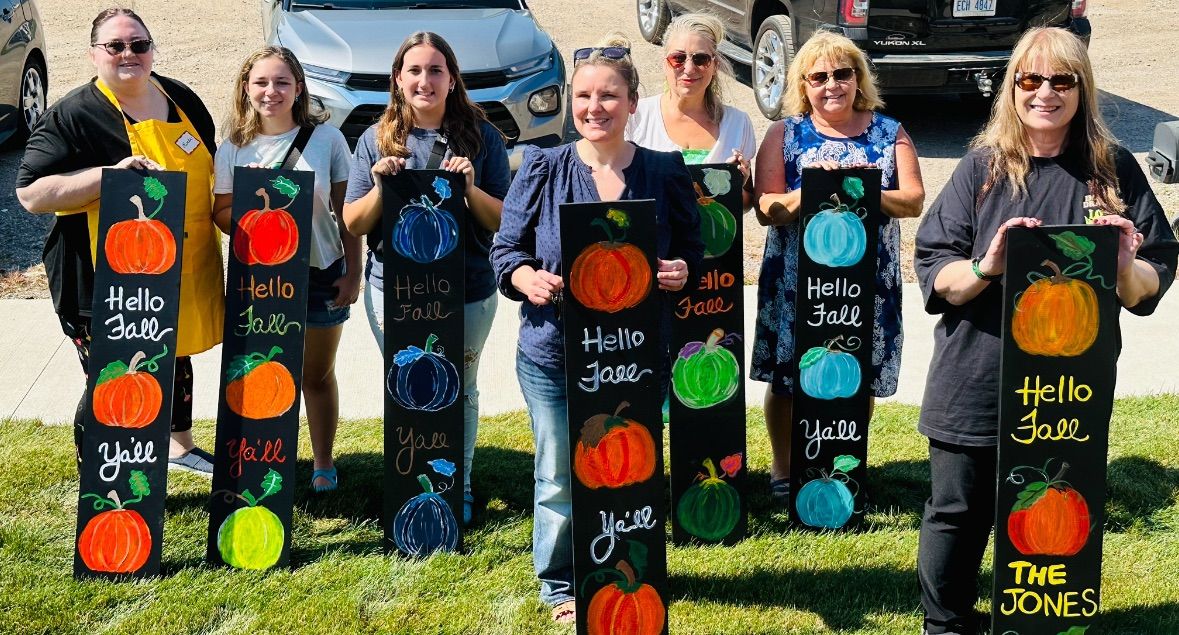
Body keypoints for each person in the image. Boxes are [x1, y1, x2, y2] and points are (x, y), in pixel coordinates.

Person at [913, 27, 1178, 635]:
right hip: (976, 373)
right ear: (1011, 88)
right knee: (957, 511)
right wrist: (988, 265)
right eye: (1030, 80)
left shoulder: (1114, 171)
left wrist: (1124, 266)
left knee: (1055, 506)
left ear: (1083, 90)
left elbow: (1148, 288)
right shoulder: (981, 167)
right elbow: (936, 272)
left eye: (1063, 80)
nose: (1046, 94)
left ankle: (1038, 625)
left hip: (1066, 390)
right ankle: (948, 625)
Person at [489, 36, 703, 624]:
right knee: (560, 468)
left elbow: (691, 249)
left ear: (633, 102)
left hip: (634, 354)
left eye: (609, 95)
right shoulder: (542, 167)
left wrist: (683, 270)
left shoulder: (663, 170)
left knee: (628, 465)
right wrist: (526, 277)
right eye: (583, 96)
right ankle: (559, 581)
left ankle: (630, 567)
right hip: (554, 352)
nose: (594, 107)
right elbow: (505, 250)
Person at [16, 7, 224, 475]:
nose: (129, 53)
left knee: (175, 351)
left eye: (139, 44)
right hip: (98, 279)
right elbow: (30, 193)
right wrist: (106, 178)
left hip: (181, 266)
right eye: (116, 46)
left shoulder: (181, 97)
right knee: (115, 378)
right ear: (94, 54)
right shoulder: (75, 114)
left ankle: (178, 447)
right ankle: (101, 475)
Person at [341, 32, 510, 522]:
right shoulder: (376, 140)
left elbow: (501, 219)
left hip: (468, 287)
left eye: (435, 70)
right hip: (393, 290)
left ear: (452, 78)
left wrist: (470, 189)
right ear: (397, 79)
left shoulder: (484, 138)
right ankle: (407, 483)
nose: (424, 81)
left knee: (463, 386)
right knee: (407, 383)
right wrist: (380, 186)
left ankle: (460, 484)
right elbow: (354, 222)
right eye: (413, 71)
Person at [750, 30, 924, 501]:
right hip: (795, 280)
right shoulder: (784, 134)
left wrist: (859, 188)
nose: (832, 84)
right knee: (789, 376)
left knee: (853, 370)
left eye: (843, 73)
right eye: (819, 76)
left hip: (863, 281)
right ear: (802, 84)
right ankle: (784, 471)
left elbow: (913, 201)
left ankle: (844, 464)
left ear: (858, 78)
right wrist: (805, 193)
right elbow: (765, 207)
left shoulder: (889, 132)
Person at [212, 46, 360, 492]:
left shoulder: (328, 141)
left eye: (281, 82)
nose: (271, 91)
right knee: (262, 373)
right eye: (261, 82)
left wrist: (354, 271)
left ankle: (323, 461)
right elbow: (219, 215)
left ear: (299, 88)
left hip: (320, 272)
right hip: (261, 279)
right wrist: (249, 201)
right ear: (246, 88)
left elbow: (347, 212)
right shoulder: (233, 148)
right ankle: (263, 460)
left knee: (315, 375)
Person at [624, 12, 754, 207]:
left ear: (714, 65)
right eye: (678, 58)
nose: (689, 68)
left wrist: (735, 184)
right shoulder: (637, 116)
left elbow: (746, 203)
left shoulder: (738, 123)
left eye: (700, 59)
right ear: (664, 63)